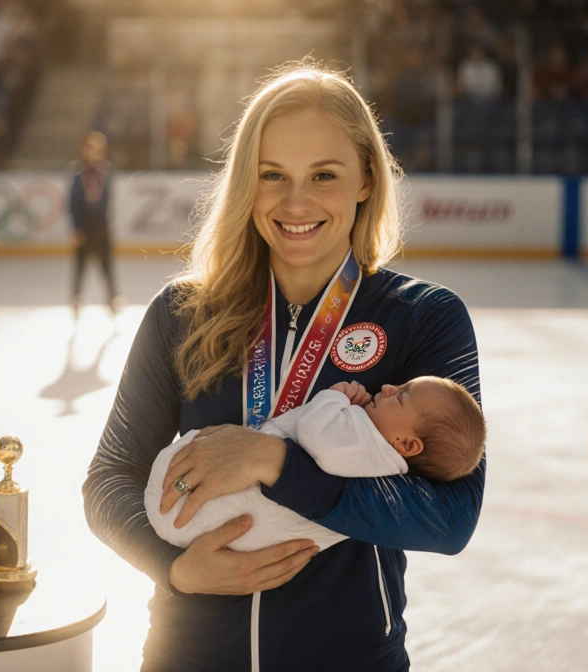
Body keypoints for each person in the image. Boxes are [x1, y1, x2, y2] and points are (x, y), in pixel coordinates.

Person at [82, 63, 485, 671]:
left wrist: (275, 462)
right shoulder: (181, 312)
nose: (296, 202)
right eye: (273, 175)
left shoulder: (425, 318)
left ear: (366, 180)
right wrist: (176, 569)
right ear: (247, 181)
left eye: (324, 174)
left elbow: (450, 519)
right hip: (187, 655)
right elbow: (109, 478)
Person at [146, 376, 485, 553]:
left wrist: (335, 396)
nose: (389, 386)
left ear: (408, 445)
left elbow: (313, 433)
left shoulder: (366, 444)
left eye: (402, 395)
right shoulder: (382, 466)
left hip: (216, 511)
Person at [69, 130, 120, 317]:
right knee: (80, 264)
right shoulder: (78, 173)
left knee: (106, 263)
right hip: (84, 224)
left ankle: (112, 296)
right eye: (90, 148)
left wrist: (108, 225)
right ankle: (76, 296)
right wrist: (75, 228)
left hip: (101, 225)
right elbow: (72, 203)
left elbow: (108, 201)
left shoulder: (106, 172)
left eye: (97, 148)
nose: (93, 152)